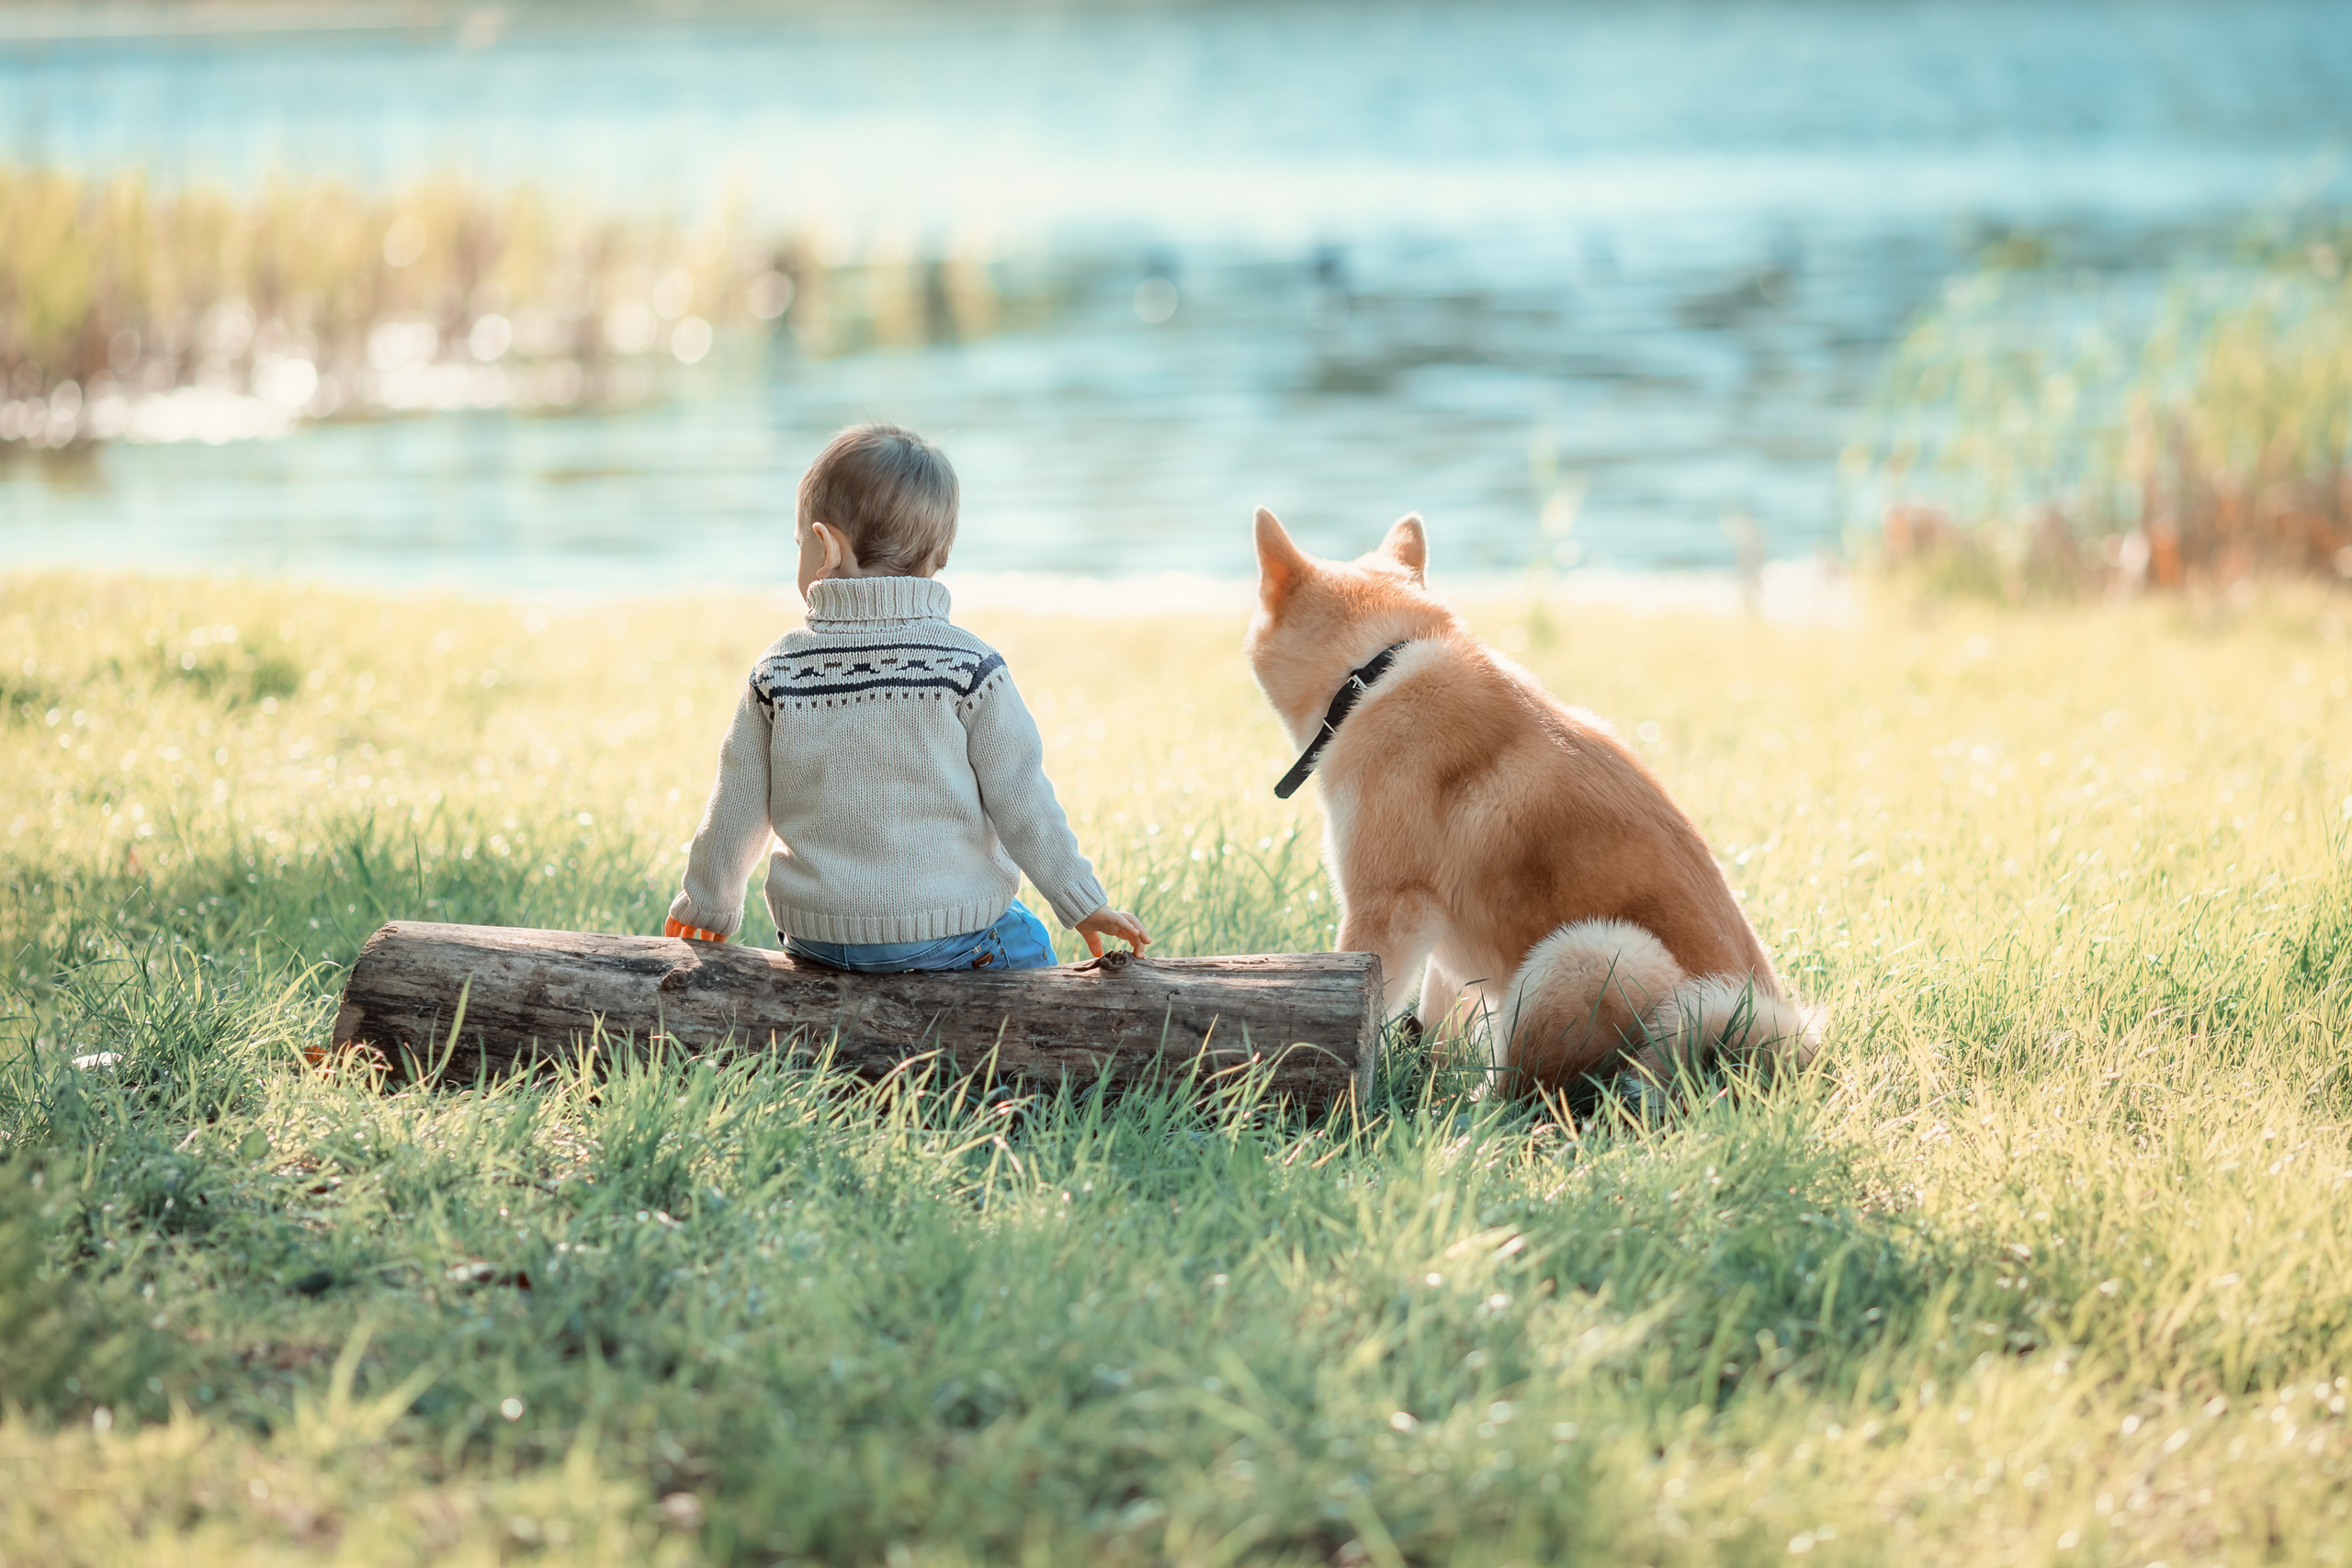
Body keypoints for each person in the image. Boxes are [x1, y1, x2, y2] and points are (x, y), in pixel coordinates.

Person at [663, 423, 1149, 973]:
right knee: (1030, 942)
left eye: (799, 544)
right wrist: (1082, 904)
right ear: (938, 554)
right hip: (946, 933)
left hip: (817, 939)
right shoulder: (968, 668)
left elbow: (736, 805)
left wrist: (707, 906)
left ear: (824, 547)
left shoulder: (779, 671)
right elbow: (1022, 798)